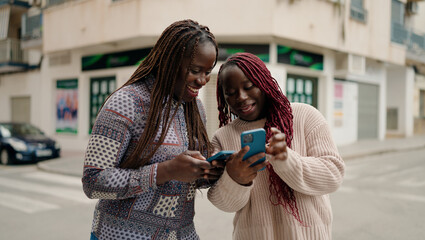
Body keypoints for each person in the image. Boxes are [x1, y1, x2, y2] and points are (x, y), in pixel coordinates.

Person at [82, 19, 222, 240]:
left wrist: (212, 171)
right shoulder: (126, 103)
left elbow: (191, 180)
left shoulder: (196, 108)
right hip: (122, 235)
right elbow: (93, 182)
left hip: (182, 235)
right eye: (196, 70)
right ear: (170, 63)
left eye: (208, 71)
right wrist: (166, 171)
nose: (203, 80)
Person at [207, 52, 345, 239]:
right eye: (230, 93)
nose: (241, 97)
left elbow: (333, 176)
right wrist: (236, 179)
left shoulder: (305, 116)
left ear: (264, 83)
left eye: (249, 86)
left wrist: (286, 161)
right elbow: (225, 204)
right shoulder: (222, 137)